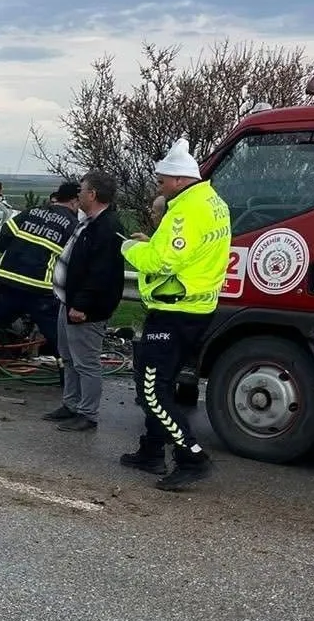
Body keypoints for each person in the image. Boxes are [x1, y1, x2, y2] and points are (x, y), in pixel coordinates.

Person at [120, 138, 230, 491]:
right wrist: (152, 242)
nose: (160, 186)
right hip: (197, 308)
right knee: (162, 381)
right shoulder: (213, 202)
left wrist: (130, 248)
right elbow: (184, 251)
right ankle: (151, 450)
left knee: (152, 389)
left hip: (175, 311)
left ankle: (191, 457)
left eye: (162, 180)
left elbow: (162, 260)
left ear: (180, 179)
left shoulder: (185, 211)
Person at [0, 182, 80, 376]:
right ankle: (67, 377)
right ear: (74, 201)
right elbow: (72, 261)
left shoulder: (32, 212)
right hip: (39, 287)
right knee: (55, 333)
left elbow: (4, 234)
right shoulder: (73, 225)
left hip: (8, 280)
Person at [41, 173, 125, 432]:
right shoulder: (88, 222)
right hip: (68, 301)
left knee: (86, 362)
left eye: (82, 190)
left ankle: (87, 413)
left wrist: (82, 305)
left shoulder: (107, 228)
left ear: (93, 194)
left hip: (86, 308)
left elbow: (100, 273)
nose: (78, 194)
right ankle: (71, 404)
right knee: (68, 357)